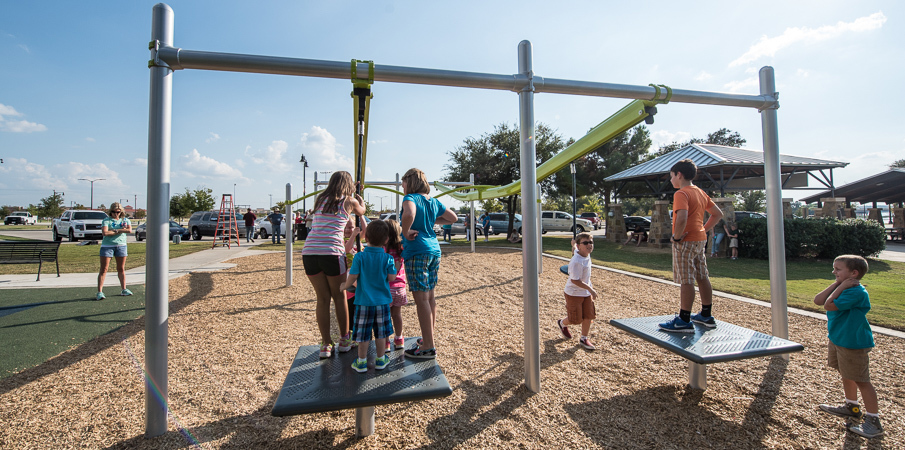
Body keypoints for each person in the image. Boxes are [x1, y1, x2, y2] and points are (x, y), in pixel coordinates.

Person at [814, 255, 883, 439]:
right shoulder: (842, 287)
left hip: (853, 343)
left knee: (861, 380)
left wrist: (842, 286)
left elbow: (828, 306)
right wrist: (838, 284)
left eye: (838, 269)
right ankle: (851, 406)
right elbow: (818, 300)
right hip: (840, 339)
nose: (833, 272)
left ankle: (874, 422)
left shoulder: (856, 292)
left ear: (854, 273)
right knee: (847, 374)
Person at [301, 171, 367, 358]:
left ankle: (325, 344)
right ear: (348, 185)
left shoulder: (321, 198)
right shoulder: (348, 201)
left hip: (310, 252)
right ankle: (345, 340)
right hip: (332, 252)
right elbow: (361, 211)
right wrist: (359, 199)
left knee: (322, 299)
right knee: (340, 296)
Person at [659, 159, 723, 333]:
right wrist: (703, 229)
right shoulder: (700, 192)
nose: (671, 180)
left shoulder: (681, 193)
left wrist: (676, 237)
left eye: (671, 176)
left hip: (685, 241)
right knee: (702, 275)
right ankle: (706, 314)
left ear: (679, 175)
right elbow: (718, 214)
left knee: (686, 279)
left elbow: (681, 218)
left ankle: (684, 319)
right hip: (700, 239)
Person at [400, 168, 458, 359]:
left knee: (422, 299)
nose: (402, 186)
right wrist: (432, 219)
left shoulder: (411, 198)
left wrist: (406, 231)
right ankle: (427, 339)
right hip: (434, 250)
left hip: (417, 251)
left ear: (410, 182)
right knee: (430, 297)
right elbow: (453, 218)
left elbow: (408, 214)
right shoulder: (433, 201)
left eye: (403, 182)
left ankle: (428, 347)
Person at [341, 220, 397, 373]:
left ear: (366, 238)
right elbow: (392, 278)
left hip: (363, 302)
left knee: (363, 334)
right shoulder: (388, 259)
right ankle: (380, 359)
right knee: (381, 333)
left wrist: (344, 286)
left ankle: (361, 361)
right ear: (386, 240)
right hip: (382, 302)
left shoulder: (359, 257)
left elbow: (352, 277)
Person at [556, 233, 598, 350]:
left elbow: (574, 249)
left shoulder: (584, 253)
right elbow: (575, 281)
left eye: (591, 242)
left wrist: (573, 244)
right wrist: (591, 289)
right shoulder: (576, 262)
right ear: (580, 246)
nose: (589, 245)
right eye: (585, 243)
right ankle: (562, 323)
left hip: (586, 292)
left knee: (589, 315)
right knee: (576, 319)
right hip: (574, 292)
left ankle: (584, 338)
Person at [96, 202, 133, 301]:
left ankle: (124, 289)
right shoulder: (106, 220)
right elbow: (105, 232)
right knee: (104, 269)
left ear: (121, 211)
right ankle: (100, 292)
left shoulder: (125, 220)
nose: (115, 214)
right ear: (110, 211)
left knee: (121, 268)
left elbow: (129, 230)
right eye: (113, 212)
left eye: (118, 212)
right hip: (107, 246)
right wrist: (119, 230)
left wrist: (117, 230)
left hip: (121, 246)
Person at [385, 219, 409, 351]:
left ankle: (386, 341)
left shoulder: (383, 249)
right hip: (399, 287)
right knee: (397, 314)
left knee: (385, 315)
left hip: (386, 287)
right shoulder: (401, 248)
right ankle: (399, 338)